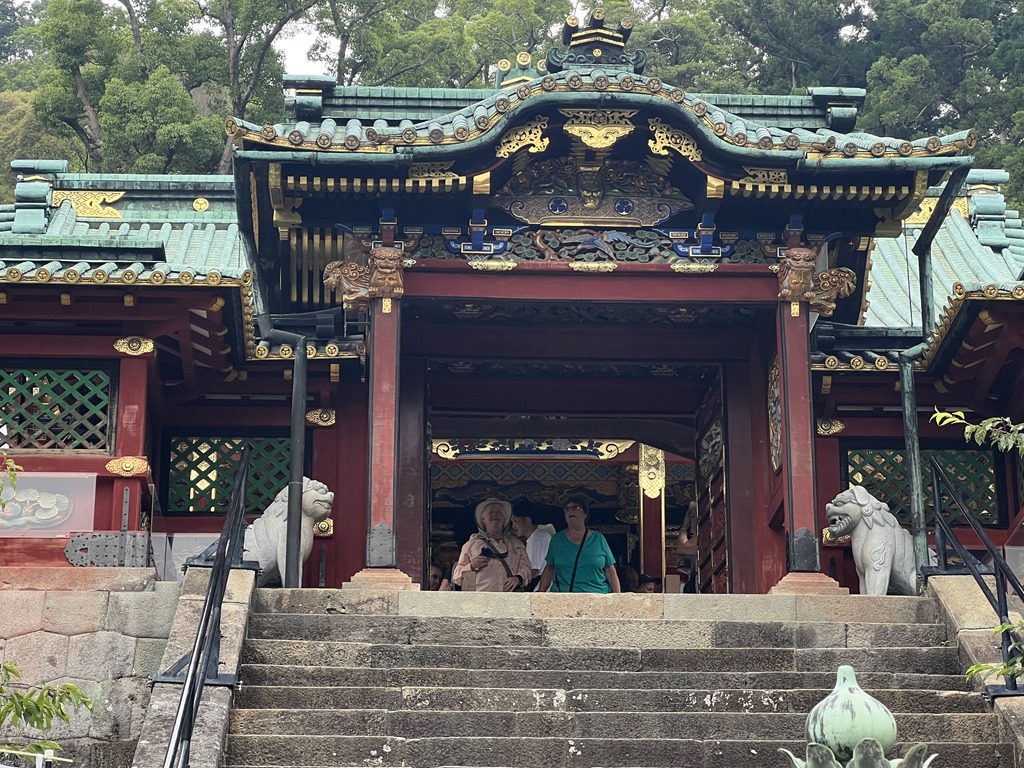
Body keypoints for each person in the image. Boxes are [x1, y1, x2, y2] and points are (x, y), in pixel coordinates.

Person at [538, 493, 621, 593]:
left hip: (596, 595)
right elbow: (549, 568)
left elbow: (610, 570)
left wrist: (618, 596)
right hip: (564, 597)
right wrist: (541, 592)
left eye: (575, 507)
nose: (570, 511)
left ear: (585, 513)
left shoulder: (599, 539)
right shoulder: (557, 540)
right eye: (567, 509)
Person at [452, 498, 532, 592]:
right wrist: (472, 566)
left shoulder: (517, 544)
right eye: (490, 512)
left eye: (499, 512)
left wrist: (518, 578)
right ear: (483, 519)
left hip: (510, 598)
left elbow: (527, 568)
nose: (495, 514)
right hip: (481, 598)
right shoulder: (470, 545)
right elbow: (457, 578)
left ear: (504, 518)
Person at [511, 503, 555, 590]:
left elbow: (533, 572)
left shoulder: (537, 538)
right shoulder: (537, 536)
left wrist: (517, 579)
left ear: (527, 520)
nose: (513, 526)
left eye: (516, 521)